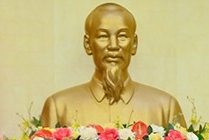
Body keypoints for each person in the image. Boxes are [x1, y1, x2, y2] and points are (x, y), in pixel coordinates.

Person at [40, 2, 185, 128]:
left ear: (134, 44)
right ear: (88, 44)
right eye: (103, 36)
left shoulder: (165, 107)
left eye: (122, 36)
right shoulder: (59, 106)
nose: (113, 46)